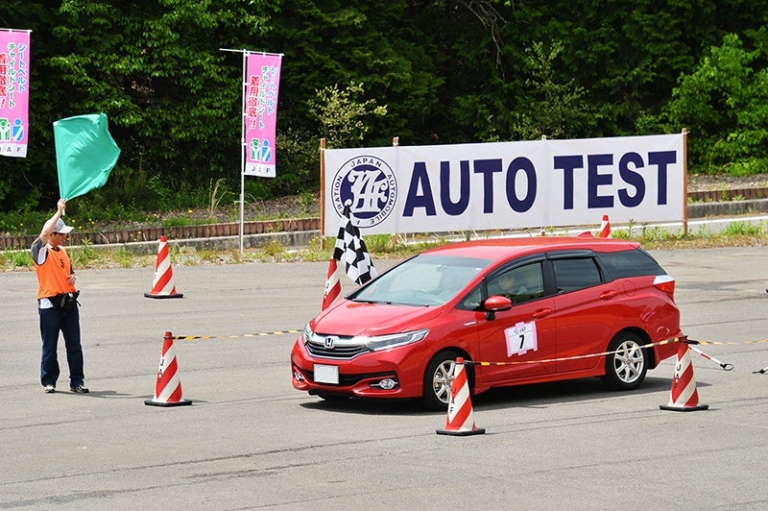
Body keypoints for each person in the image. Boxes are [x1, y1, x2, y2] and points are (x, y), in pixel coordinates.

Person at [31, 198, 89, 394]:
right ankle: (49, 381)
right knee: (50, 346)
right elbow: (43, 233)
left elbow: (69, 272)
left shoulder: (63, 251)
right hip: (50, 305)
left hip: (68, 303)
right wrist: (58, 212)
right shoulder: (41, 252)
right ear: (52, 235)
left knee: (74, 346)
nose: (65, 237)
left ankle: (77, 381)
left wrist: (73, 278)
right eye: (61, 234)